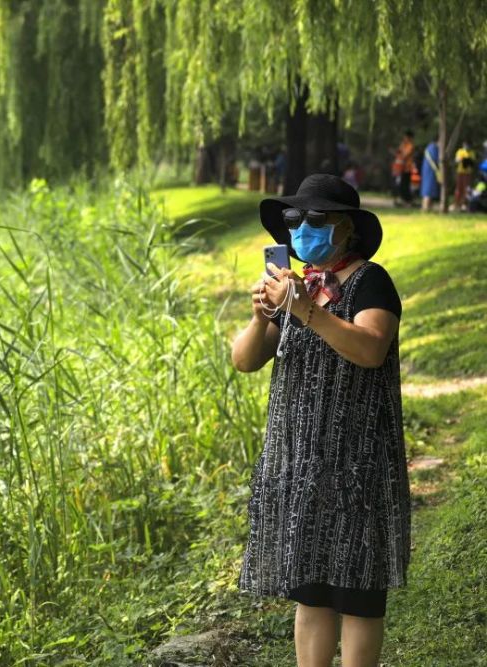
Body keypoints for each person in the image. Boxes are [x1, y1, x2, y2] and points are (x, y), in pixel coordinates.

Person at [232, 174, 410, 667]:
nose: (302, 228)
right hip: (300, 463)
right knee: (310, 593)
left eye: (315, 219)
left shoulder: (370, 281)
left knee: (357, 590)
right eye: (294, 220)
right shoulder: (295, 287)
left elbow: (371, 348)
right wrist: (260, 315)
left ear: (346, 229)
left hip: (358, 460)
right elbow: (245, 361)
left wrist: (306, 310)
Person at [390, 130, 415, 207]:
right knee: (400, 185)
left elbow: (404, 155)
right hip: (401, 169)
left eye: (406, 137)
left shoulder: (410, 146)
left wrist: (399, 152)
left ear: (410, 137)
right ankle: (403, 200)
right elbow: (398, 153)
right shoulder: (403, 145)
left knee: (405, 185)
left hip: (407, 169)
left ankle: (408, 201)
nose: (405, 138)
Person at [420, 138, 441, 212]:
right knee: (428, 190)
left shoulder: (430, 147)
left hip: (428, 171)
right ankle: (425, 207)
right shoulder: (433, 148)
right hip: (430, 171)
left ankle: (428, 207)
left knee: (428, 189)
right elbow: (435, 161)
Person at [454, 141, 476, 211]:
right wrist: (461, 159)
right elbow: (456, 160)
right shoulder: (460, 151)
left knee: (466, 189)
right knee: (458, 188)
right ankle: (457, 204)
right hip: (460, 172)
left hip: (468, 173)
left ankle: (464, 204)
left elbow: (473, 162)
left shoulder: (472, 153)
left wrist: (468, 160)